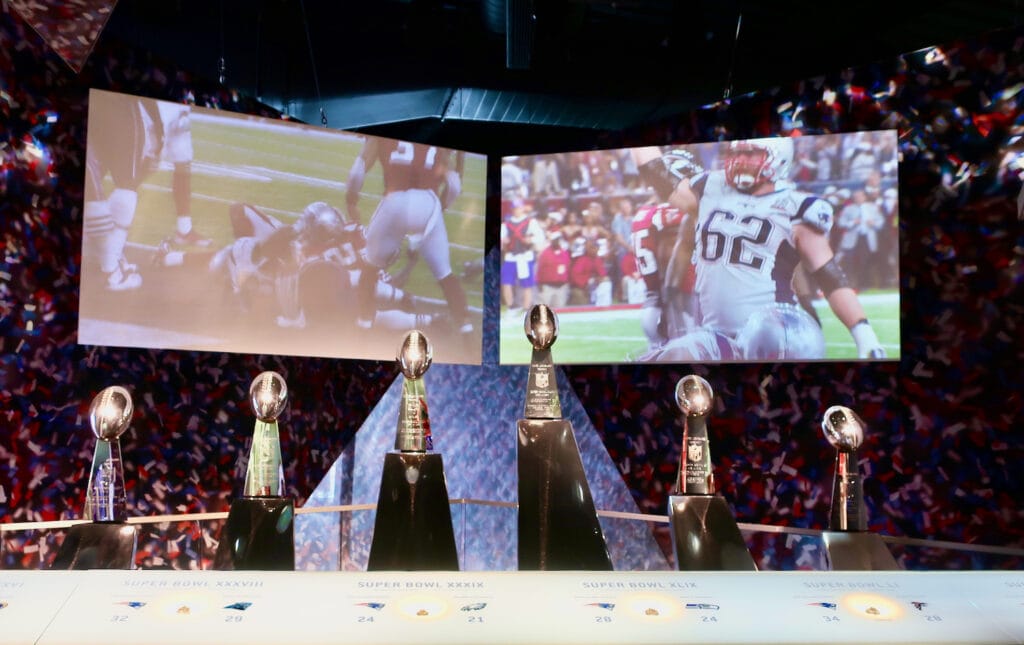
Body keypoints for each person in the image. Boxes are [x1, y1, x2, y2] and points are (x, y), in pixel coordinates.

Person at [638, 138, 886, 360]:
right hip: (716, 335)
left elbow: (830, 277)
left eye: (751, 154)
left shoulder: (796, 206)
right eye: (738, 153)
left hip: (773, 333)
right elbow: (656, 173)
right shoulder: (709, 188)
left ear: (778, 158)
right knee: (666, 358)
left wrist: (865, 336)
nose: (741, 161)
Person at [345, 137, 471, 333]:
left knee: (370, 270)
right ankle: (467, 331)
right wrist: (439, 210)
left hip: (394, 198)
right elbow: (454, 186)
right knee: (445, 275)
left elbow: (357, 171)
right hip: (427, 201)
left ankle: (363, 325)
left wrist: (351, 200)